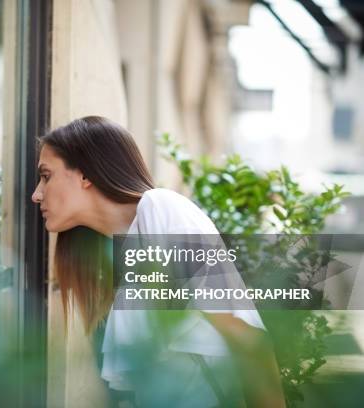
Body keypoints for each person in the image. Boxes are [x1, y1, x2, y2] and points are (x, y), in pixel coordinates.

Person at [31, 116, 285, 407]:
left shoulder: (161, 210)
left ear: (85, 175)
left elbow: (249, 342)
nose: (36, 194)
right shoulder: (111, 255)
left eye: (46, 176)